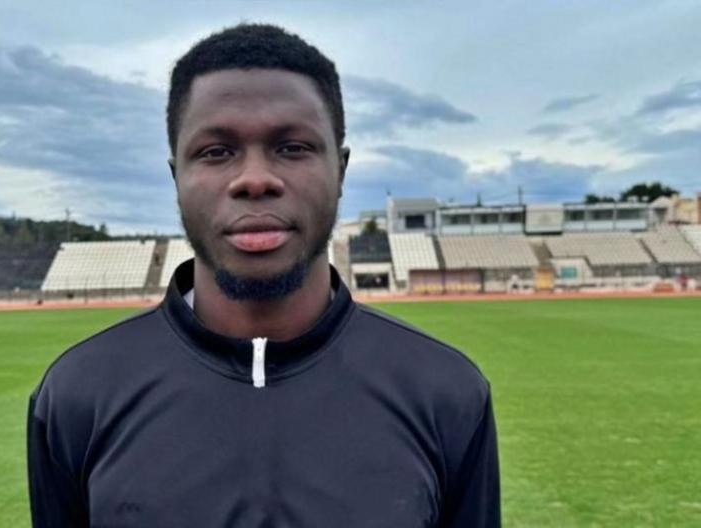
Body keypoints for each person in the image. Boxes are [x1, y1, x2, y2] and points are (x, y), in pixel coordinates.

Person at [28, 24, 499, 527]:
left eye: (292, 147)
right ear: (176, 177)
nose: (254, 179)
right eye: (216, 151)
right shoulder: (77, 396)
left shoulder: (446, 393)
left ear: (340, 171)